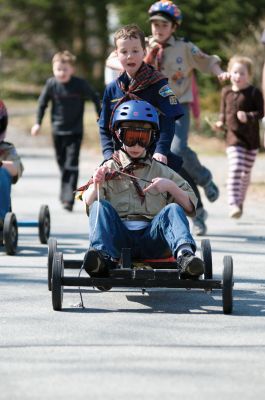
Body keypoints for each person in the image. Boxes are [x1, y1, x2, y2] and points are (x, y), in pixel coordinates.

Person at [102, 24, 209, 236]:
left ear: (144, 52)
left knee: (176, 182)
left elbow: (169, 120)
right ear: (117, 54)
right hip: (122, 155)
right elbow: (103, 126)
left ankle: (197, 217)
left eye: (135, 51)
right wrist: (107, 155)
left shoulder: (157, 84)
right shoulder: (113, 88)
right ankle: (117, 235)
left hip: (154, 152)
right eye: (124, 51)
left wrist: (161, 150)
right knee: (106, 189)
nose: (130, 56)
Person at [81, 99, 204, 279]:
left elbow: (190, 207)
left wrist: (170, 187)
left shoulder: (162, 170)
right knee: (99, 206)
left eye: (143, 138)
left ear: (152, 137)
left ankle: (185, 257)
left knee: (173, 209)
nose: (137, 145)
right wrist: (97, 184)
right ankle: (101, 258)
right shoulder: (108, 168)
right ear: (118, 135)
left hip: (153, 240)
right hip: (119, 239)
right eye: (131, 137)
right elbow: (88, 203)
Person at [145, 1, 230, 231]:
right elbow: (118, 59)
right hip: (150, 113)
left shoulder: (184, 48)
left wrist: (220, 73)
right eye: (154, 24)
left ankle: (203, 178)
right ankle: (198, 212)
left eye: (164, 24)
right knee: (171, 164)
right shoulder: (143, 47)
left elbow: (208, 60)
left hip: (177, 107)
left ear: (174, 27)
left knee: (177, 150)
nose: (158, 29)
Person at [31, 50, 101, 211]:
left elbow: (95, 97)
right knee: (62, 163)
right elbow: (42, 104)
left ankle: (68, 199)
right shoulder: (51, 84)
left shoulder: (79, 84)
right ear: (53, 70)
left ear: (72, 69)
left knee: (71, 164)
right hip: (57, 130)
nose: (61, 73)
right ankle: (66, 191)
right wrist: (37, 123)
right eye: (58, 70)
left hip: (75, 131)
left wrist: (99, 114)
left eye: (65, 69)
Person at [214, 55, 264, 218]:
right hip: (233, 138)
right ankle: (233, 203)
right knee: (236, 168)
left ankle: (240, 201)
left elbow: (262, 112)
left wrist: (249, 116)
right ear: (229, 73)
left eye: (242, 73)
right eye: (235, 72)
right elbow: (223, 112)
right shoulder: (226, 91)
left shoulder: (254, 92)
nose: (238, 76)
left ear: (249, 75)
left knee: (245, 174)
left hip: (251, 140)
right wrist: (220, 123)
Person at [0, 100, 24, 234]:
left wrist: (1, 164)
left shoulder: (7, 149)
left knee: (2, 172)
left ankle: (1, 220)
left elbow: (16, 168)